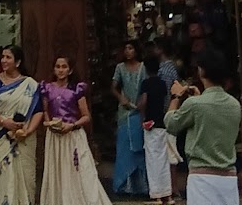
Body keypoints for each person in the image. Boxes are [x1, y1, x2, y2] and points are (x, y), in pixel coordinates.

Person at [163, 48, 241, 205]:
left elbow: (171, 123)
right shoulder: (234, 104)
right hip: (229, 178)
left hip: (202, 178)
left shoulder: (195, 104)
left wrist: (176, 96)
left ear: (201, 70)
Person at [39, 53, 111, 205]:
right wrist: (49, 124)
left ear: (70, 70)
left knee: (80, 170)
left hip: (73, 135)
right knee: (58, 171)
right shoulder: (47, 88)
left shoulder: (76, 90)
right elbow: (45, 111)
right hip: (55, 136)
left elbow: (86, 116)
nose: (60, 70)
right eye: (57, 67)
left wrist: (72, 125)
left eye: (64, 67)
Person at [0, 45, 40, 205]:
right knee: (1, 178)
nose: (3, 60)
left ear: (18, 62)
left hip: (24, 139)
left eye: (8, 57)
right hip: (1, 136)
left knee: (25, 176)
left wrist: (27, 131)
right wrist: (4, 122)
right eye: (2, 57)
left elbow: (38, 111)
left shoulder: (30, 84)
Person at [112, 41, 147, 197]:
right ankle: (124, 185)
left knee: (139, 148)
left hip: (139, 111)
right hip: (125, 112)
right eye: (125, 48)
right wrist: (121, 98)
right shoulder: (120, 68)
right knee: (124, 146)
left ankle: (141, 186)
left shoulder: (143, 68)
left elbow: (146, 88)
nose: (128, 51)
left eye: (131, 48)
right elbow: (113, 87)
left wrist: (142, 102)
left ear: (136, 50)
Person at [138, 54, 171, 204]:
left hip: (150, 124)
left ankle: (156, 195)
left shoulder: (145, 83)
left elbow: (143, 101)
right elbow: (166, 101)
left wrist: (142, 116)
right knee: (163, 159)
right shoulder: (163, 84)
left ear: (146, 69)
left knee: (152, 160)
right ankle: (167, 195)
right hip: (162, 123)